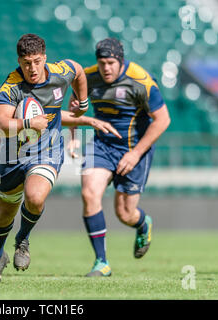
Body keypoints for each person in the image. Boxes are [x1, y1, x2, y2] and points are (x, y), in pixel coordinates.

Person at [0, 33, 88, 283]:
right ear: (19, 61)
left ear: (45, 59)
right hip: (12, 154)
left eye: (37, 61)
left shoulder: (60, 72)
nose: (32, 68)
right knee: (4, 213)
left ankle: (22, 239)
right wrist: (29, 123)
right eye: (26, 62)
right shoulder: (11, 87)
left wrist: (82, 101)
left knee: (35, 196)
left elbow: (79, 71)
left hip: (47, 150)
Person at [67, 37, 171, 277]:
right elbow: (76, 107)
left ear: (120, 60)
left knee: (124, 213)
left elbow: (163, 120)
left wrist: (135, 154)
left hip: (134, 148)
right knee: (89, 192)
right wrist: (73, 136)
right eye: (102, 62)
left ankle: (143, 224)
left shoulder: (140, 80)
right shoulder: (87, 77)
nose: (106, 68)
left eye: (111, 63)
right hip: (102, 145)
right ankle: (101, 262)